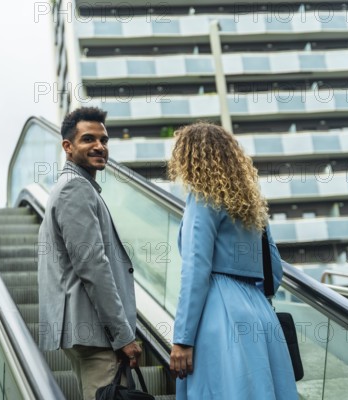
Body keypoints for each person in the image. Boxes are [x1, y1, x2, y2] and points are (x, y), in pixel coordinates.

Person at [168, 122, 298, 399]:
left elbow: (195, 269)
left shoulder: (202, 198)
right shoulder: (251, 206)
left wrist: (182, 339)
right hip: (260, 313)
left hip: (219, 311)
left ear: (189, 159)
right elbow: (274, 272)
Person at [37, 106, 142, 400]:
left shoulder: (71, 187)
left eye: (104, 140)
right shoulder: (76, 190)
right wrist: (122, 335)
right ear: (68, 147)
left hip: (84, 329)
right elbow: (93, 266)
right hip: (95, 333)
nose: (99, 146)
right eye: (88, 139)